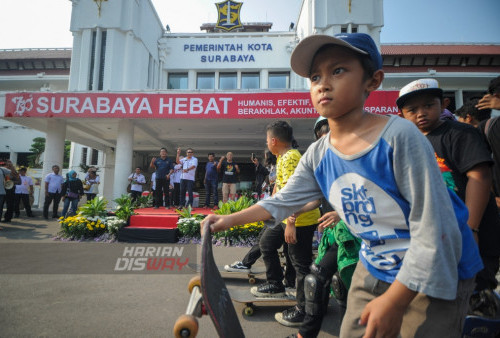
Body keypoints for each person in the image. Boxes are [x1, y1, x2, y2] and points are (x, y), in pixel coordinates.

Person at [202, 33, 483, 337]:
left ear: (372, 81)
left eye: (338, 71)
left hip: (436, 268)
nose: (323, 83)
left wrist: (394, 301)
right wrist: (227, 220)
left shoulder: (400, 137)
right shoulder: (318, 154)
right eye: (315, 76)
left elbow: (434, 229)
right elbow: (282, 201)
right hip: (376, 261)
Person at [398, 78, 500, 318]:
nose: (421, 113)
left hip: (475, 235)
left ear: (442, 103)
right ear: (402, 115)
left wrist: (471, 229)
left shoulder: (459, 133)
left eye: (428, 105)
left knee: (473, 297)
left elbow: (480, 177)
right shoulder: (409, 144)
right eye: (412, 110)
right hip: (439, 239)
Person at [0, 160, 19, 226]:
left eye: (6, 164)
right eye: (3, 165)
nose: (5, 166)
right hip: (2, 190)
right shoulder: (2, 171)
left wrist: (12, 183)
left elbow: (19, 181)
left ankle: (8, 218)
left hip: (10, 190)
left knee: (10, 205)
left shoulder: (11, 172)